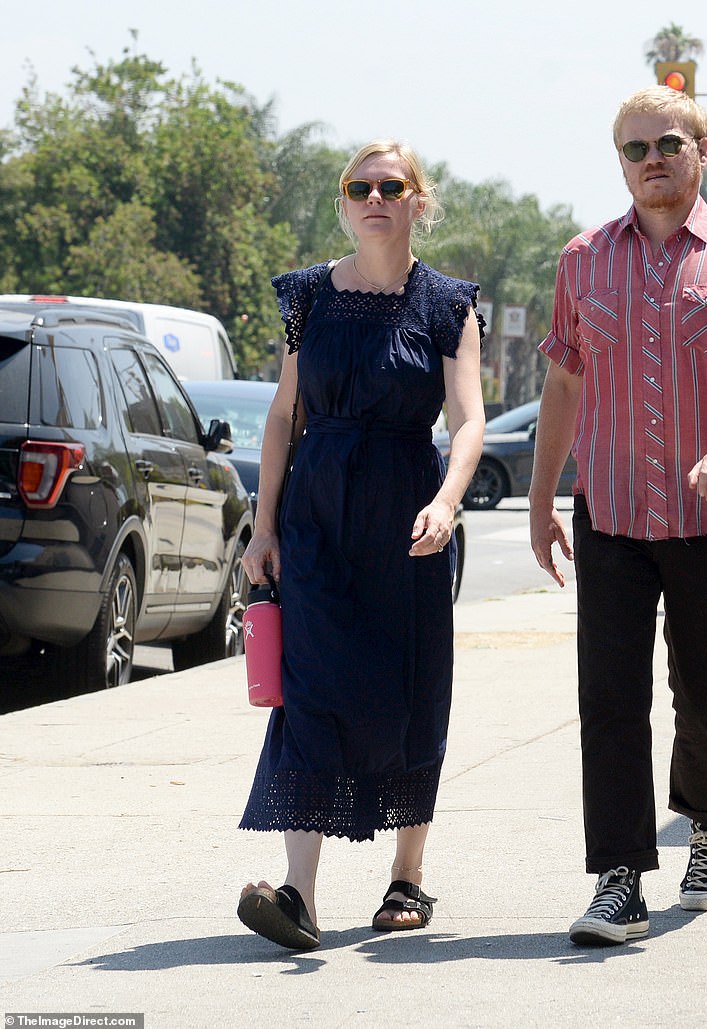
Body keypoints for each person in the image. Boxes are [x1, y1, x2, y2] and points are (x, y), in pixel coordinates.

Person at [528, 86, 707, 946]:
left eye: (668, 144)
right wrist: (542, 500)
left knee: (705, 691)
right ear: (620, 161)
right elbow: (566, 382)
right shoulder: (583, 259)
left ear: (701, 152)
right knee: (609, 700)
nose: (652, 159)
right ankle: (620, 878)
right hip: (609, 513)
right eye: (635, 147)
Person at [236, 139, 484, 949]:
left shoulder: (447, 303)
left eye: (391, 185)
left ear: (418, 201)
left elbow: (469, 418)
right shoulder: (308, 296)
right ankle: (298, 897)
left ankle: (406, 876)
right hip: (317, 515)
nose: (374, 197)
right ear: (344, 203)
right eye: (358, 186)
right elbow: (282, 416)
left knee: (412, 689)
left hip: (410, 519)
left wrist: (447, 501)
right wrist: (264, 526)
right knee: (310, 690)